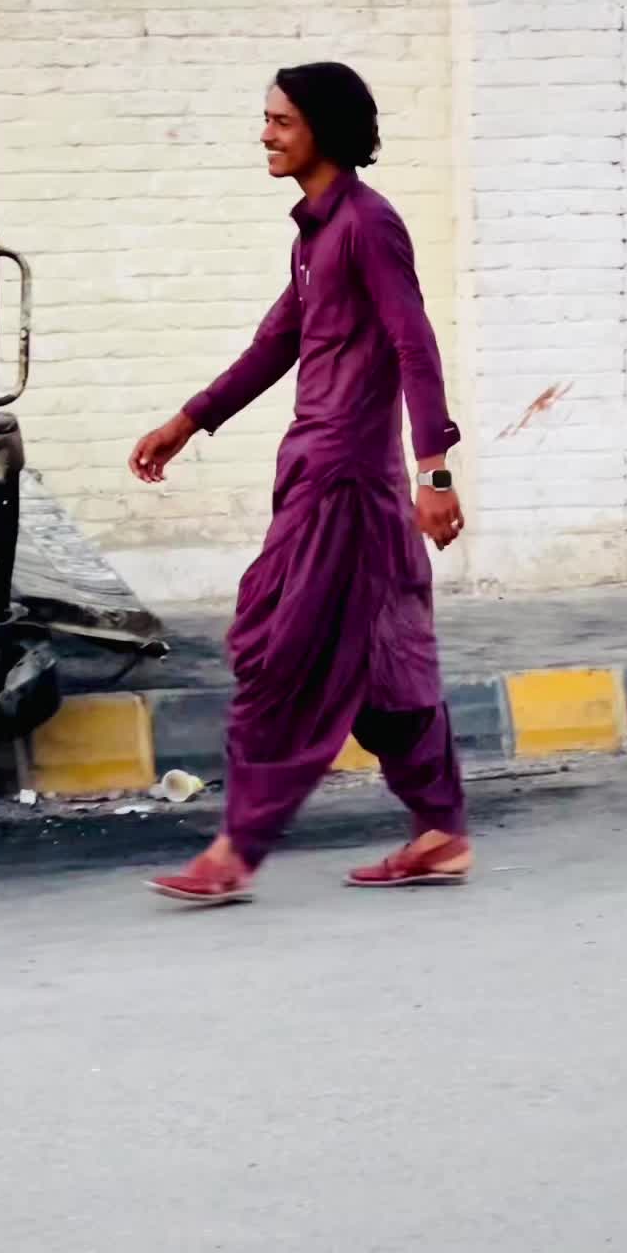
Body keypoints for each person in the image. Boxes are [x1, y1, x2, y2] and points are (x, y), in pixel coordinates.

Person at [129, 61, 469, 906]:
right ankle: (439, 829)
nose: (266, 134)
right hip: (325, 476)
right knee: (383, 663)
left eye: (281, 120)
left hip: (345, 486)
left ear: (324, 127)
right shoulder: (317, 233)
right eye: (267, 119)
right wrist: (188, 420)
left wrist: (434, 469)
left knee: (280, 654)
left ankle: (236, 849)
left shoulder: (368, 225)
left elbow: (414, 344)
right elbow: (279, 340)